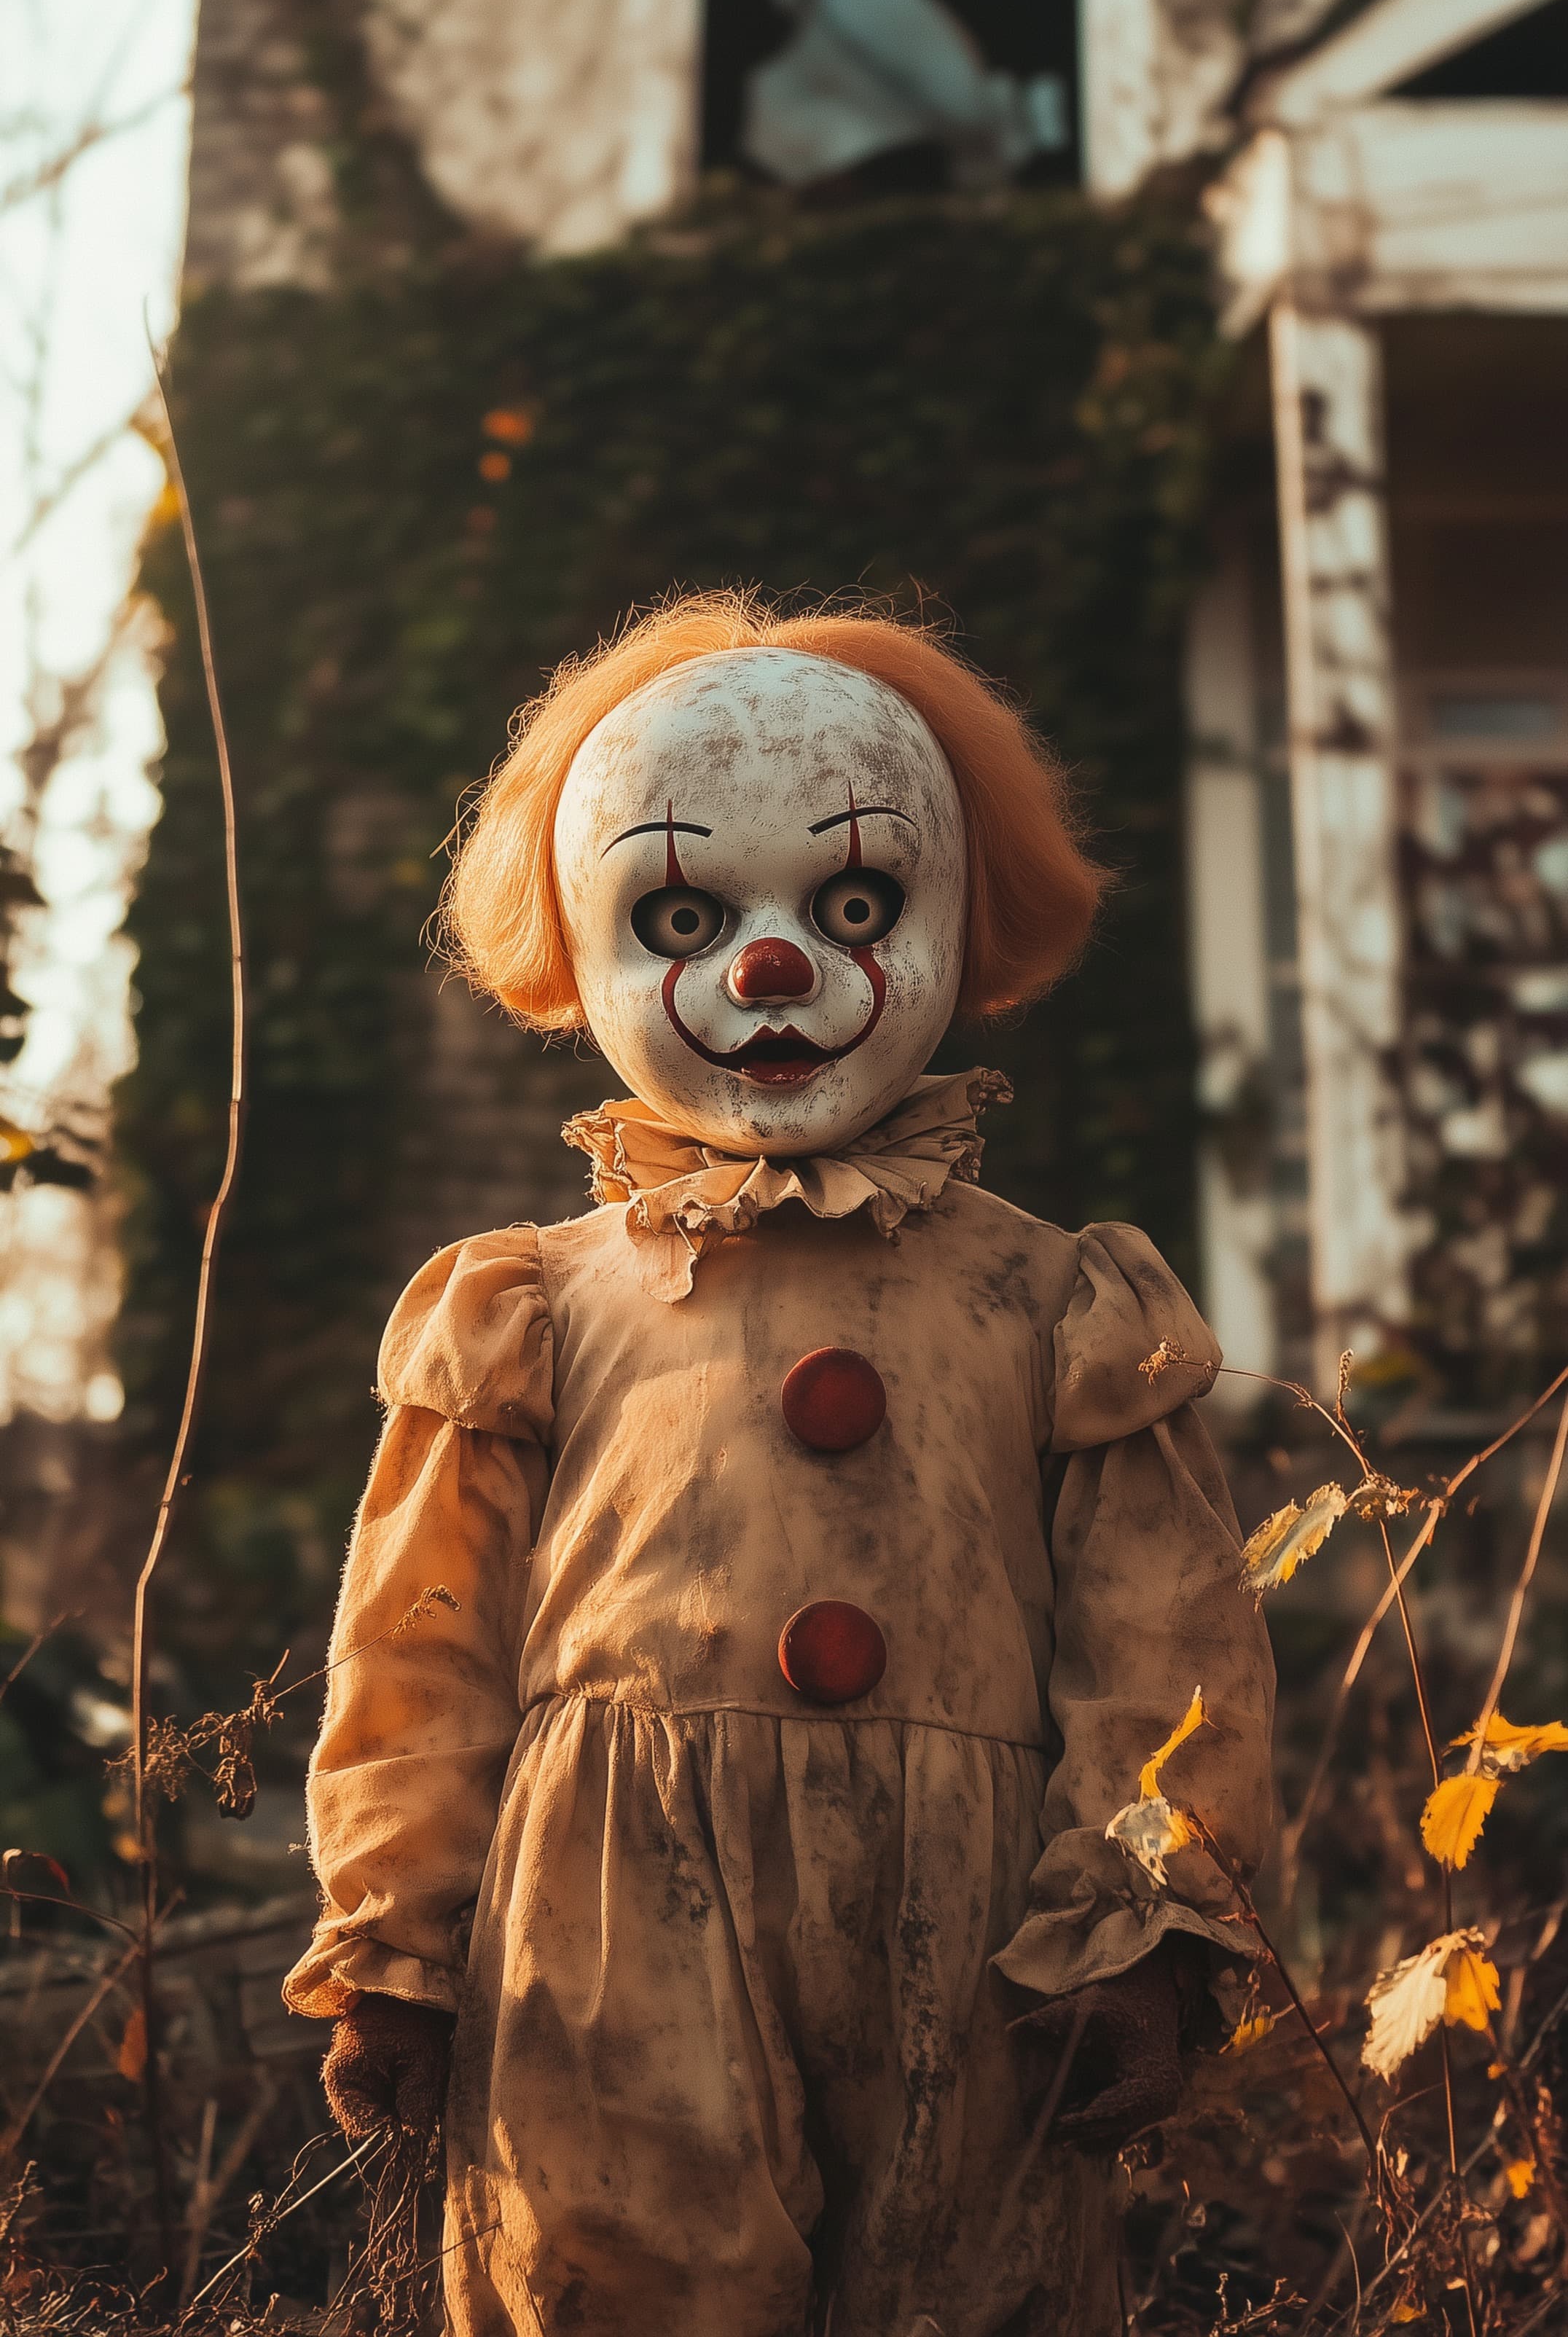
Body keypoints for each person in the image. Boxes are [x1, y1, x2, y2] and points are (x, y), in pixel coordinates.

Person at [283, 591, 1275, 2337]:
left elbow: (1164, 1639)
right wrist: (398, 1937)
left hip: (975, 1932)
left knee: (972, 2287)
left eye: (854, 904)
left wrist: (1137, 1927)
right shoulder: (529, 1305)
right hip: (606, 1926)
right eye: (682, 913)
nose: (767, 966)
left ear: (960, 912)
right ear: (576, 942)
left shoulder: (1055, 1301)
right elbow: (422, 1639)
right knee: (613, 2278)